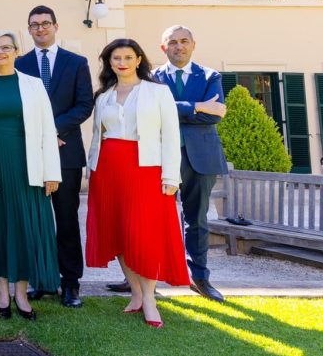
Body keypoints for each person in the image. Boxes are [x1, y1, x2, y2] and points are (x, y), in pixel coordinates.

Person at [86, 38, 187, 329]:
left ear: (139, 60)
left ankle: (151, 299)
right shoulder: (103, 95)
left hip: (144, 169)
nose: (122, 62)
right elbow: (98, 136)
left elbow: (170, 135)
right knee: (117, 231)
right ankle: (136, 294)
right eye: (116, 58)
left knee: (143, 233)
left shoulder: (157, 92)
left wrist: (171, 176)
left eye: (128, 57)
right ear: (109, 62)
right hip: (107, 170)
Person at [0, 30, 61, 322]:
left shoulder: (34, 86)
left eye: (6, 47)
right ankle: (2, 293)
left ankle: (22, 293)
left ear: (17, 51)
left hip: (27, 167)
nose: (0, 52)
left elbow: (47, 129)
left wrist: (51, 172)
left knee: (24, 228)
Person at [14, 5, 94, 308]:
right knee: (35, 218)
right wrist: (40, 135)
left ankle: (70, 283)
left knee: (66, 218)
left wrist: (52, 130)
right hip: (29, 152)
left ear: (56, 26)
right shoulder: (19, 64)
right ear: (29, 29)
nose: (40, 29)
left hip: (66, 152)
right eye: (34, 25)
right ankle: (42, 280)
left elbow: (84, 105)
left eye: (45, 24)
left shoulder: (76, 63)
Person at [154, 25, 229, 303]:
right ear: (164, 48)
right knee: (150, 218)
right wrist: (197, 106)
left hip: (201, 157)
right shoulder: (152, 77)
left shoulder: (211, 76)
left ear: (193, 45)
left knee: (196, 220)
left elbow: (215, 116)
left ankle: (200, 278)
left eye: (184, 41)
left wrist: (174, 108)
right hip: (160, 158)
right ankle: (141, 277)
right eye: (172, 42)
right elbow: (153, 113)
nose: (178, 46)